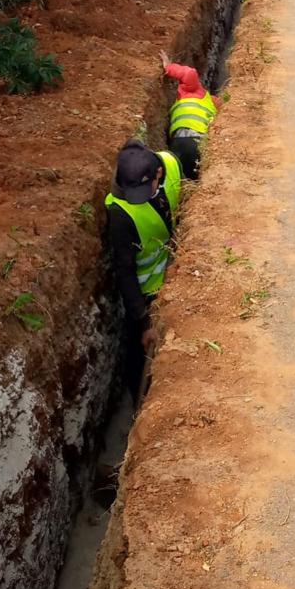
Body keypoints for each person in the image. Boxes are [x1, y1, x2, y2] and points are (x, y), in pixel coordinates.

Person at [105, 139, 183, 401]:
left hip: (177, 274)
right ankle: (139, 402)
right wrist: (143, 321)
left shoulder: (171, 163)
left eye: (143, 190)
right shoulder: (120, 213)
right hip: (144, 292)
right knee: (139, 357)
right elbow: (124, 271)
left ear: (157, 174)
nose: (136, 199)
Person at [160, 51, 220, 179]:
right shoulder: (212, 102)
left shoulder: (195, 90)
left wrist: (169, 67)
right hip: (200, 143)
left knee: (177, 178)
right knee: (195, 179)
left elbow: (189, 73)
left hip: (181, 140)